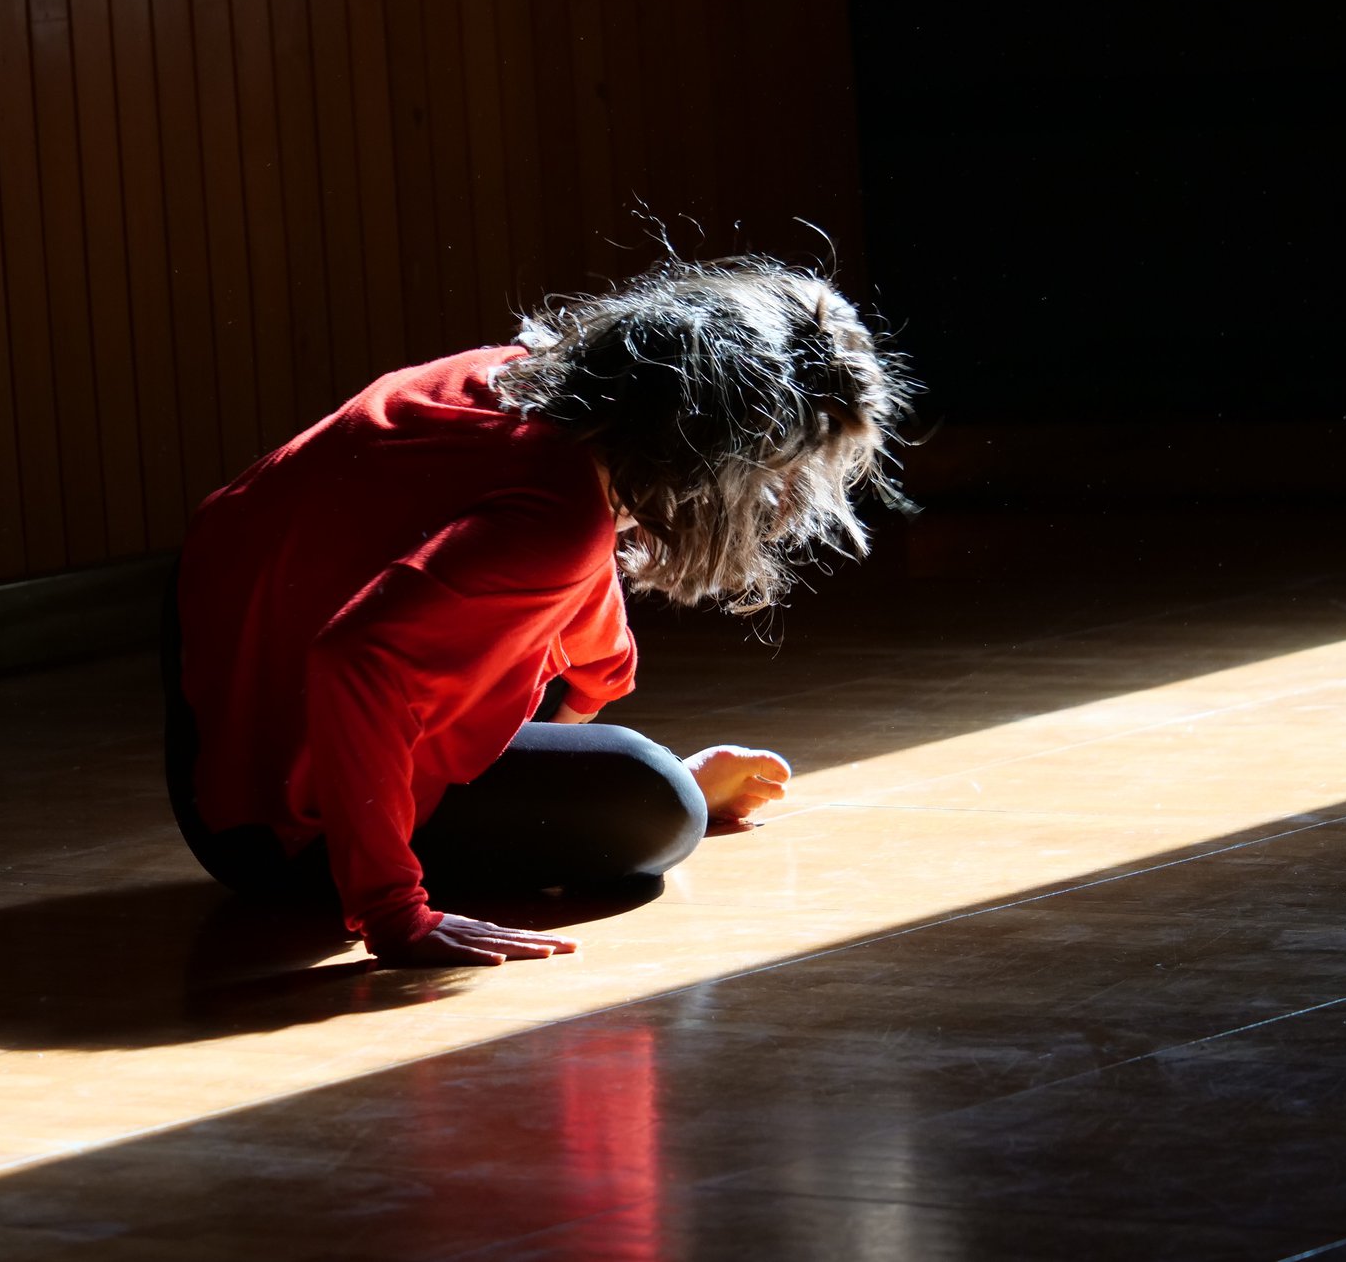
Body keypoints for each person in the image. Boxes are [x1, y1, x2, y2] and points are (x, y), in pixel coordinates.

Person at [163, 256, 912, 967]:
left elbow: (555, 588)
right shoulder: (558, 519)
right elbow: (353, 656)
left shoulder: (511, 376)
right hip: (268, 827)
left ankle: (580, 774)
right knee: (651, 803)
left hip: (217, 679)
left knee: (583, 675)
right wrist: (393, 911)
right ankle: (663, 787)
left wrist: (598, 683)